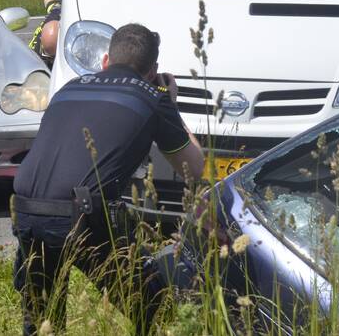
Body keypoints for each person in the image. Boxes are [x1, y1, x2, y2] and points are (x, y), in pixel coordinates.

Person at [11, 23, 206, 335]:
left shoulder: (69, 89)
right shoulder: (153, 98)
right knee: (153, 306)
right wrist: (171, 105)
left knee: (42, 323)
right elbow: (194, 168)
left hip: (25, 208)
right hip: (82, 214)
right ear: (153, 71)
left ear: (105, 60)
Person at [28, 0, 61, 68]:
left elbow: (51, 1)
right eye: (48, 57)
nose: (51, 61)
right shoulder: (33, 56)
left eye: (53, 58)